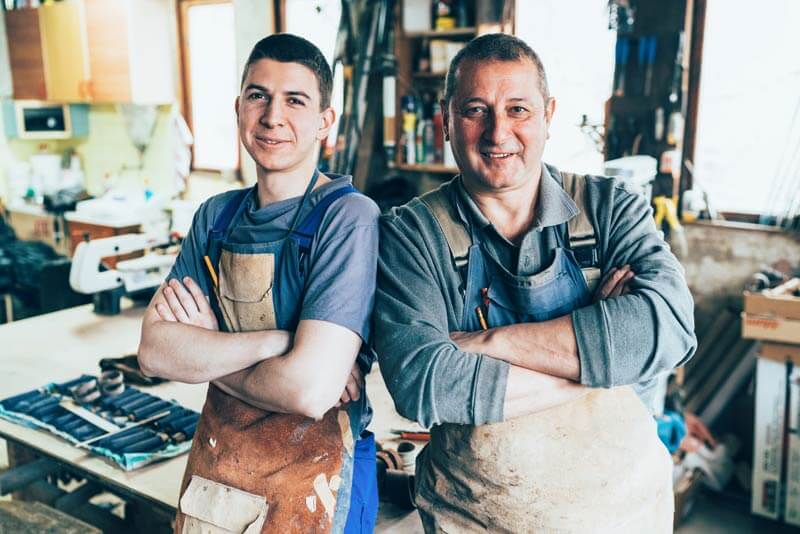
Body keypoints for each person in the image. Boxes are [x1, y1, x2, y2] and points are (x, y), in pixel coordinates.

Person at [374, 33, 697, 532]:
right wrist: (601, 357)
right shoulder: (412, 235)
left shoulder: (610, 209)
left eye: (518, 110)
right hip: (475, 514)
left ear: (548, 114)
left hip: (619, 510)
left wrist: (487, 341)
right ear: (445, 120)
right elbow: (424, 383)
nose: (498, 133)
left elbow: (669, 328)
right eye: (475, 110)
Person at [138, 34, 379, 533]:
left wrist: (209, 353)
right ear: (239, 107)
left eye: (295, 100)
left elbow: (310, 391)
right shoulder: (216, 217)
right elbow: (155, 354)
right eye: (258, 95)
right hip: (218, 470)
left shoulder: (348, 218)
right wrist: (281, 343)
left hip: (317, 481)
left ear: (324, 122)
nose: (273, 117)